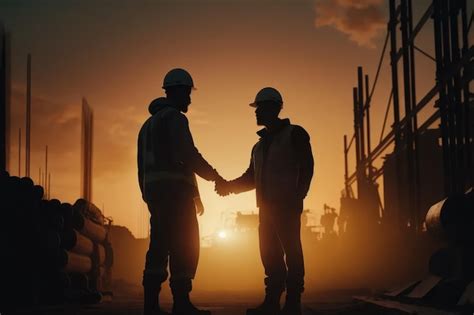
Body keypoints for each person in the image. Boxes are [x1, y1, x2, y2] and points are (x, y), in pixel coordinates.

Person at [216, 87, 314, 315]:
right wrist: (229, 187)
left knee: (292, 252)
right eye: (256, 108)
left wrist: (299, 195)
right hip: (266, 209)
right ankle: (271, 302)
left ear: (275, 108)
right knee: (269, 255)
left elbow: (307, 166)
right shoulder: (258, 147)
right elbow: (251, 178)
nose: (256, 112)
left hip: (287, 205)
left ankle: (292, 303)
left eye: (260, 108)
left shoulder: (295, 134)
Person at [137, 68, 223, 315]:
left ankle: (150, 306)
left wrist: (149, 195)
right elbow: (188, 155)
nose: (189, 99)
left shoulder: (146, 126)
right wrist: (214, 176)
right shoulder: (175, 118)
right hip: (175, 195)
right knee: (184, 246)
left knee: (158, 246)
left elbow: (141, 166)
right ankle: (182, 304)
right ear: (176, 92)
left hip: (157, 196)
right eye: (187, 93)